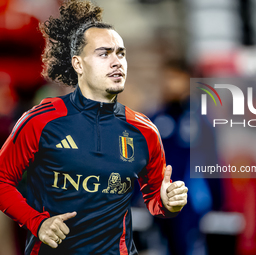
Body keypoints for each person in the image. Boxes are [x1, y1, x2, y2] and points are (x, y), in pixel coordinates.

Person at [0, 0, 188, 254]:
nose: (116, 62)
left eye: (120, 53)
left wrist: (167, 203)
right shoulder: (41, 120)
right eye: (103, 53)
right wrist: (38, 222)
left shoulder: (144, 130)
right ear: (78, 64)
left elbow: (154, 199)